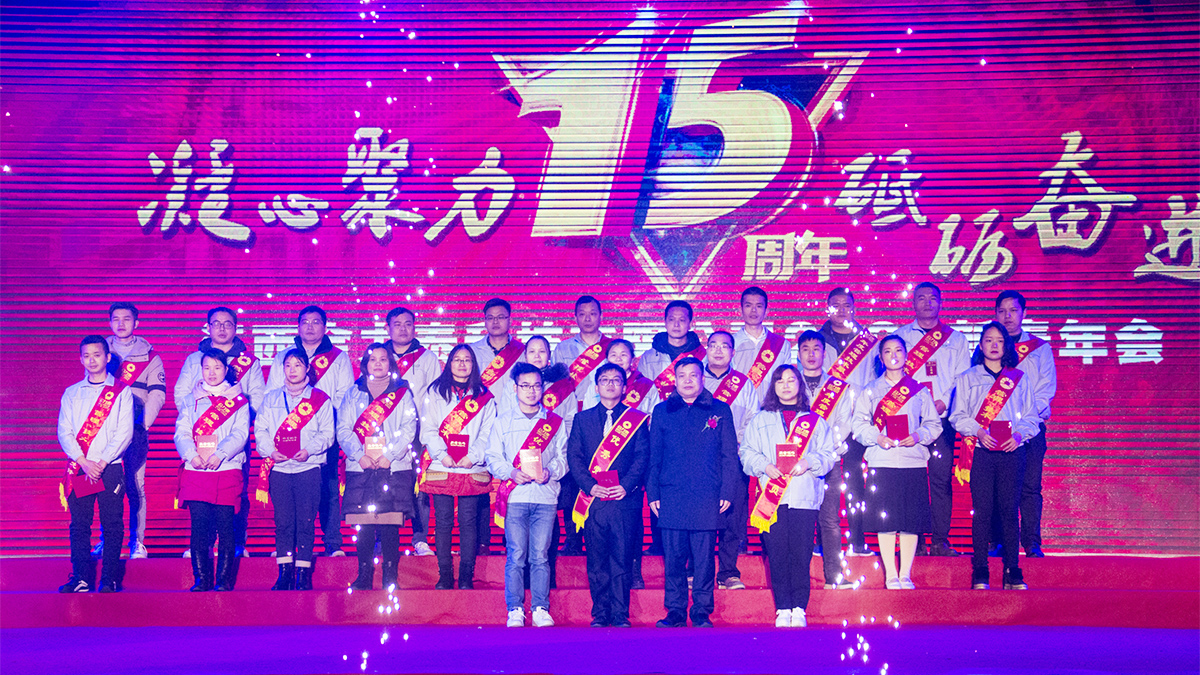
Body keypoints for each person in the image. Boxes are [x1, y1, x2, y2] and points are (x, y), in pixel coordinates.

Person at [741, 364, 838, 627]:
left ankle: (799, 608)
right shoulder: (760, 420)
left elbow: (829, 454)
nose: (786, 385)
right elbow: (746, 453)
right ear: (773, 386)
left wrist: (809, 462)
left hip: (804, 497)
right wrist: (765, 466)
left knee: (801, 554)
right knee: (776, 554)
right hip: (771, 499)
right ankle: (783, 607)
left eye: (791, 380)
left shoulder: (815, 421)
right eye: (780, 380)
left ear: (800, 385)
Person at [648, 357, 739, 628]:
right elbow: (654, 456)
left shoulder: (720, 409)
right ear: (674, 380)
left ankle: (701, 611)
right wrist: (653, 492)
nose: (687, 380)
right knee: (674, 559)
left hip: (707, 495)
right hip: (671, 495)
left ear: (702, 378)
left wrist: (727, 490)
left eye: (693, 375)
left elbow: (729, 455)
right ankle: (675, 611)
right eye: (682, 375)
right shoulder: (662, 411)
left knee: (704, 560)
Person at [950, 322, 1039, 591]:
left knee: (1010, 511)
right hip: (981, 452)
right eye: (988, 340)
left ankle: (1013, 570)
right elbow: (957, 415)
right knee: (982, 512)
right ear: (980, 345)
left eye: (999, 340)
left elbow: (1032, 416)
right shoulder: (967, 377)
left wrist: (1019, 436)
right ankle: (980, 569)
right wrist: (978, 431)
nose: (994, 345)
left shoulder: (1019, 378)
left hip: (1013, 452)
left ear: (1006, 345)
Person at [852, 335, 941, 590]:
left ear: (906, 355)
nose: (893, 355)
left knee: (911, 520)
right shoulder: (870, 390)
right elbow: (858, 425)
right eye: (888, 351)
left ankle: (906, 574)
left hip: (913, 461)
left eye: (898, 350)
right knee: (886, 520)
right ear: (880, 358)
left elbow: (934, 424)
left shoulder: (919, 390)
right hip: (882, 461)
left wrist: (918, 436)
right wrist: (877, 437)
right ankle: (891, 574)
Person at [176, 306, 265, 559]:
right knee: (199, 499)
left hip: (233, 438)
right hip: (198, 439)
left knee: (235, 494)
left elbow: (258, 397)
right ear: (208, 327)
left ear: (236, 328)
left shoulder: (250, 361)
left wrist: (235, 415)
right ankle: (203, 545)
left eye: (227, 324)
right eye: (216, 323)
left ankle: (236, 543)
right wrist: (201, 417)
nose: (222, 328)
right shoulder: (194, 359)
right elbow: (181, 394)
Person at [566, 363, 650, 627]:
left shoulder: (637, 420)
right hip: (593, 501)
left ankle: (620, 614)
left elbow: (642, 458)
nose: (610, 384)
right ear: (596, 386)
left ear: (624, 387)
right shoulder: (582, 419)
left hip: (625, 500)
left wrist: (626, 485)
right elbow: (574, 458)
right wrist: (589, 486)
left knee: (622, 559)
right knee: (597, 560)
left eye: (616, 380)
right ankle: (600, 614)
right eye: (605, 379)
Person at [486, 363, 569, 628]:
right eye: (525, 386)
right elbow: (492, 457)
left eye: (536, 386)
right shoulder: (503, 421)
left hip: (545, 497)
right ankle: (515, 609)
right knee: (516, 555)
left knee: (540, 556)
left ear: (543, 388)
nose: (531, 391)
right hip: (515, 498)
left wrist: (550, 471)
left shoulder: (554, 422)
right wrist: (511, 472)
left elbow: (564, 458)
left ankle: (541, 608)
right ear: (515, 388)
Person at [268, 305, 354, 557]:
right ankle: (289, 547)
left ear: (325, 327)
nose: (310, 326)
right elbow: (271, 394)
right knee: (290, 495)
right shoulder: (283, 356)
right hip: (287, 435)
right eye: (305, 322)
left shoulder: (339, 358)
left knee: (328, 489)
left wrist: (320, 418)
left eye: (316, 322)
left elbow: (344, 396)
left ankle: (333, 543)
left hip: (324, 433)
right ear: (297, 326)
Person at [894, 282, 970, 556]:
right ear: (912, 302)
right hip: (910, 421)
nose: (927, 303)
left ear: (940, 302)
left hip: (942, 421)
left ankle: (940, 540)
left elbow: (963, 378)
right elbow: (893, 377)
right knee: (911, 481)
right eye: (921, 298)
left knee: (940, 480)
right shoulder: (900, 336)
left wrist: (944, 401)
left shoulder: (957, 339)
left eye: (932, 298)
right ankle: (914, 541)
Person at [57, 335, 134, 593]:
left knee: (112, 523)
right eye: (87, 356)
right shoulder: (72, 393)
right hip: (82, 468)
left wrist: (101, 462)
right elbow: (65, 431)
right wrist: (83, 461)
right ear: (81, 359)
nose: (92, 360)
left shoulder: (122, 392)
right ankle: (80, 577)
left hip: (110, 468)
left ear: (108, 357)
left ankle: (108, 579)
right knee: (80, 524)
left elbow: (125, 432)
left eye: (97, 355)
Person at [340, 344, 419, 592]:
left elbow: (409, 427)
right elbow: (343, 429)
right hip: (361, 467)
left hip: (392, 467)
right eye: (372, 359)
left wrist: (390, 455)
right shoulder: (353, 393)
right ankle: (364, 574)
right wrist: (359, 455)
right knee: (363, 523)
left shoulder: (402, 393)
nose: (377, 363)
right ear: (365, 364)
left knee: (389, 523)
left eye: (383, 359)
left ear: (390, 363)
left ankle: (389, 574)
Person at [254, 348, 334, 590]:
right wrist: (270, 451)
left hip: (308, 467)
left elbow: (327, 433)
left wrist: (309, 450)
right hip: (279, 469)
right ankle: (284, 572)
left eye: (297, 365)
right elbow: (260, 430)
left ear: (307, 368)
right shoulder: (271, 398)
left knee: (306, 522)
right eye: (288, 365)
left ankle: (303, 573)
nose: (292, 370)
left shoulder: (320, 399)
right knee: (283, 522)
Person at [419, 344, 497, 589]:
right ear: (449, 363)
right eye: (457, 359)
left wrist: (473, 456)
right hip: (442, 465)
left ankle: (465, 577)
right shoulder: (435, 392)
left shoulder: (484, 395)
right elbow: (428, 429)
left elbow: (488, 432)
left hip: (471, 467)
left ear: (474, 364)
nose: (462, 364)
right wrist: (442, 455)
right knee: (443, 522)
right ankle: (444, 575)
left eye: (467, 360)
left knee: (468, 522)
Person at [175, 349, 250, 592]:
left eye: (217, 367)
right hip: (196, 470)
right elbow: (181, 433)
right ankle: (201, 579)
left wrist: (221, 454)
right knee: (199, 526)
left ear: (226, 370)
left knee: (226, 526)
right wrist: (192, 455)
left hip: (226, 469)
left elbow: (240, 433)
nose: (212, 373)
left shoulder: (239, 400)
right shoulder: (190, 400)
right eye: (207, 368)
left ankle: (223, 580)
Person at [795, 330, 862, 589]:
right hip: (796, 464)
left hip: (828, 461)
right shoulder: (789, 382)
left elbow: (845, 423)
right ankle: (797, 578)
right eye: (806, 349)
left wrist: (823, 449)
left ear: (825, 353)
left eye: (816, 349)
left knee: (830, 520)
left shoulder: (839, 388)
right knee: (799, 521)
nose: (811, 354)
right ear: (798, 354)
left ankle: (834, 575)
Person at [815, 288, 877, 557]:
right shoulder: (816, 339)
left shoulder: (868, 341)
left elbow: (875, 381)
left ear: (854, 307)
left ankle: (857, 540)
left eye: (846, 304)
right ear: (827, 308)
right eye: (835, 304)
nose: (841, 309)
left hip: (857, 421)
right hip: (823, 421)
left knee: (855, 482)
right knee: (821, 480)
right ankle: (821, 541)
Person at [101, 302, 166, 561]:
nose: (121, 324)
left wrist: (141, 425)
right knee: (106, 487)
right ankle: (107, 539)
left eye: (126, 319)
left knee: (135, 485)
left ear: (136, 323)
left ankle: (137, 541)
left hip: (136, 430)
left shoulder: (150, 356)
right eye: (115, 319)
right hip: (103, 433)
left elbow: (157, 394)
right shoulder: (100, 351)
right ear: (109, 322)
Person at [994, 290, 1057, 558]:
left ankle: (1032, 542)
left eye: (1013, 311)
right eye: (1002, 311)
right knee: (999, 488)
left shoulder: (1040, 348)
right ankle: (999, 542)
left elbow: (1046, 390)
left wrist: (1023, 421)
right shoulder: (988, 347)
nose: (1007, 316)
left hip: (1030, 429)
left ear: (1024, 313)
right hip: (998, 429)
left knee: (1030, 487)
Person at [552, 296, 612, 557]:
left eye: (593, 313)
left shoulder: (611, 348)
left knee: (601, 475)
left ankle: (601, 539)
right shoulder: (562, 349)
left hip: (604, 421)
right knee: (573, 480)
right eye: (582, 314)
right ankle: (573, 539)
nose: (588, 318)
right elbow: (555, 388)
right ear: (575, 317)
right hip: (570, 421)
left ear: (601, 316)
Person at [383, 306, 443, 558]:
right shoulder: (379, 356)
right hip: (384, 434)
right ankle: (386, 541)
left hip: (418, 434)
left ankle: (420, 539)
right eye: (397, 324)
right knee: (385, 487)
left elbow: (436, 396)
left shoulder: (427, 358)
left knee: (419, 488)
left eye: (408, 324)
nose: (403, 329)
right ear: (387, 328)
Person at [702, 330, 759, 591]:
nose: (718, 350)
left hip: (732, 459)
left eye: (724, 346)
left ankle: (728, 572)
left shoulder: (744, 384)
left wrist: (734, 443)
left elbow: (752, 420)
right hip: (699, 462)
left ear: (733, 352)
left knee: (733, 517)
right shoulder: (695, 379)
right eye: (713, 345)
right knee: (699, 517)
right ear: (706, 349)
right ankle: (698, 572)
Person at [468, 297, 525, 556]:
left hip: (514, 426)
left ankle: (509, 542)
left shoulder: (522, 351)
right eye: (490, 318)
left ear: (510, 319)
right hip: (480, 424)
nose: (495, 322)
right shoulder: (472, 351)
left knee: (511, 483)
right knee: (481, 484)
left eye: (501, 317)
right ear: (484, 321)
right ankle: (482, 543)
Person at [600, 337, 656, 589]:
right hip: (601, 462)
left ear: (632, 360)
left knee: (632, 520)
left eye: (624, 355)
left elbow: (652, 419)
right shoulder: (600, 383)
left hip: (633, 461)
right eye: (614, 354)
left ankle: (634, 571)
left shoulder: (646, 386)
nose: (619, 359)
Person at [732, 286, 793, 404]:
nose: (753, 311)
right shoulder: (731, 343)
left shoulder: (781, 345)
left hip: (772, 408)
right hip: (738, 407)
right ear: (740, 310)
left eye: (759, 306)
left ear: (766, 311)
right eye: (748, 305)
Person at [637, 300, 706, 402]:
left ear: (690, 324)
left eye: (682, 320)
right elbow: (642, 393)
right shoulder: (648, 357)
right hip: (658, 411)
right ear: (665, 322)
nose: (676, 324)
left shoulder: (702, 355)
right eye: (671, 319)